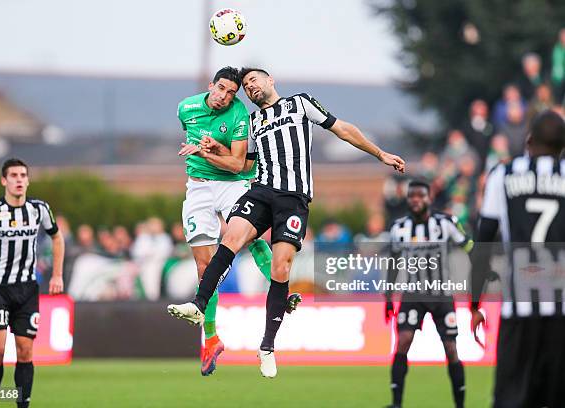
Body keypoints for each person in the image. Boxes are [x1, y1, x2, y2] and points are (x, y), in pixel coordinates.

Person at [168, 67, 405, 377]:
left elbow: (341, 128)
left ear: (271, 81)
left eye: (255, 80)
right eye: (248, 84)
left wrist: (379, 153)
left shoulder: (300, 103)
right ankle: (199, 305)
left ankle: (267, 346)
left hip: (293, 199)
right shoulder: (252, 121)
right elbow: (245, 162)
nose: (251, 86)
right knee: (231, 238)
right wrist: (216, 149)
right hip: (262, 191)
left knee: (281, 268)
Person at [175, 66, 301, 376]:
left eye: (232, 93)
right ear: (211, 86)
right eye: (221, 89)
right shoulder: (186, 108)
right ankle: (211, 339)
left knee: (250, 236)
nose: (225, 96)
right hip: (197, 188)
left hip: (232, 184)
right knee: (205, 268)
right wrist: (207, 151)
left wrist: (209, 152)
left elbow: (235, 165)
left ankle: (281, 290)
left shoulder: (240, 115)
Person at [471, 111, 565, 407]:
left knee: (511, 399)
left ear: (528, 141)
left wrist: (475, 303)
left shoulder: (504, 175)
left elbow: (484, 239)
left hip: (518, 309)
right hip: (561, 311)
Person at [0, 158, 64, 408]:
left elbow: (57, 238)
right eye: (13, 175)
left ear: (28, 180)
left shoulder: (39, 209)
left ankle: (22, 404)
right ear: (4, 181)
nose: (19, 180)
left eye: (22, 175)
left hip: (27, 289)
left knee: (25, 351)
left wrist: (57, 274)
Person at [385, 180, 473, 408]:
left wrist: (483, 269)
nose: (415, 199)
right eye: (411, 196)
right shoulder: (399, 228)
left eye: (420, 195)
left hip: (442, 295)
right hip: (412, 294)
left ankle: (460, 404)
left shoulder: (445, 223)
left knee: (451, 348)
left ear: (429, 198)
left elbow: (468, 246)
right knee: (403, 341)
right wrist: (388, 298)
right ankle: (396, 403)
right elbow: (393, 264)